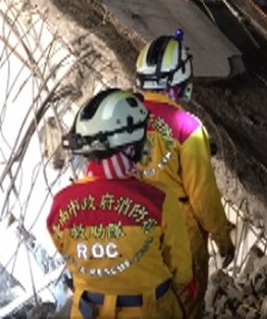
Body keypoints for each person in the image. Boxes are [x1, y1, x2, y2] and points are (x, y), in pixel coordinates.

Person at [48, 89, 193, 319]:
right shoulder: (158, 200)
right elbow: (182, 273)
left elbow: (70, 256)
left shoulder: (59, 206)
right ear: (129, 145)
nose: (145, 144)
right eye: (141, 138)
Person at [135, 31, 234, 318]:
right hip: (179, 231)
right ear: (178, 80)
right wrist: (223, 238)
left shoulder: (125, 119)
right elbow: (203, 196)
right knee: (185, 305)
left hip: (135, 228)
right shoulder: (187, 128)